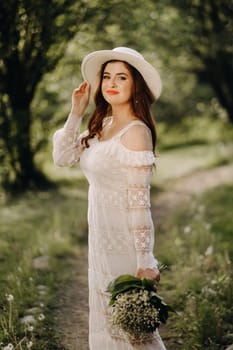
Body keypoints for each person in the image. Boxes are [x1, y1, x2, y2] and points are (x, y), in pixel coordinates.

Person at [52, 47, 166, 350]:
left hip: (124, 245)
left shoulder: (136, 133)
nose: (111, 83)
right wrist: (76, 112)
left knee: (134, 330)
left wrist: (145, 260)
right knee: (107, 321)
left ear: (135, 85)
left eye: (121, 77)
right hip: (100, 239)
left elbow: (140, 205)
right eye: (106, 76)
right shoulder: (100, 126)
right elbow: (62, 157)